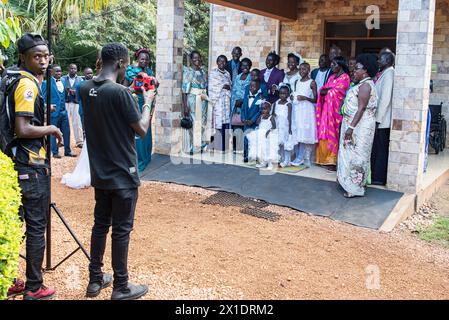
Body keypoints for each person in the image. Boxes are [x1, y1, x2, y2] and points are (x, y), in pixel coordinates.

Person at [80, 42, 155, 300]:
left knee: (100, 225)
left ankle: (95, 279)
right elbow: (142, 129)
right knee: (122, 230)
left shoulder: (84, 87)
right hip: (123, 174)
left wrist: (129, 89)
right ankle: (121, 287)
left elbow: (107, 90)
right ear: (122, 64)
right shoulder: (120, 94)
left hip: (100, 173)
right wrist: (148, 102)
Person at [6, 33, 63, 300]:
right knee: (36, 226)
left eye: (45, 56)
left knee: (13, 225)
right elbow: (23, 127)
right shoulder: (27, 85)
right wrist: (51, 127)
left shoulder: (9, 77)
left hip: (11, 164)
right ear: (23, 58)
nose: (42, 61)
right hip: (30, 164)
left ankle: (8, 279)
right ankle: (34, 286)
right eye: (36, 56)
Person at [337, 53, 378, 198]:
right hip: (355, 124)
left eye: (357, 68)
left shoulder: (365, 86)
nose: (354, 71)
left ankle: (354, 188)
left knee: (357, 156)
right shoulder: (361, 84)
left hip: (359, 127)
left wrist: (351, 128)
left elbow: (361, 108)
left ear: (365, 70)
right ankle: (350, 183)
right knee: (350, 154)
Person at [315, 56, 351, 171]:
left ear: (340, 65)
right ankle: (323, 159)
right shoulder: (331, 77)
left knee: (334, 134)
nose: (331, 66)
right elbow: (322, 90)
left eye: (334, 64)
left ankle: (333, 161)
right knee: (323, 131)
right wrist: (326, 91)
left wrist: (328, 91)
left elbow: (338, 92)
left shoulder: (345, 78)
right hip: (326, 110)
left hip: (336, 113)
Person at [123, 48, 155, 172]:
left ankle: (146, 158)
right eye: (142, 59)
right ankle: (139, 160)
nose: (145, 61)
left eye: (147, 59)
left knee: (147, 129)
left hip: (147, 102)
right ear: (137, 58)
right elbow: (125, 88)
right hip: (135, 103)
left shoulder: (149, 71)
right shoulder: (130, 70)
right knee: (138, 130)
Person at [371, 51, 395, 185]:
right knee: (378, 149)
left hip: (383, 121)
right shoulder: (385, 74)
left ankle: (379, 178)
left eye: (380, 59)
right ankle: (376, 176)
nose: (378, 62)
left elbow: (385, 99)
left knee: (380, 150)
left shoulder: (390, 74)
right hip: (380, 120)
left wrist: (377, 119)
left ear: (387, 61)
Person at [41, 65, 74, 159]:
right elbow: (43, 99)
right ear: (51, 72)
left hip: (63, 112)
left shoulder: (63, 81)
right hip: (53, 112)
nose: (59, 73)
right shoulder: (45, 83)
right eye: (56, 71)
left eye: (60, 71)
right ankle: (55, 152)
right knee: (52, 133)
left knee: (67, 132)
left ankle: (68, 151)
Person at [290, 63, 318, 168]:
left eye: (304, 69)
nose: (302, 71)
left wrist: (305, 98)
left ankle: (301, 157)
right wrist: (293, 97)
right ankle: (297, 155)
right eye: (300, 69)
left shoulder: (312, 82)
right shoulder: (297, 81)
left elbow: (316, 99)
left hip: (306, 109)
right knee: (296, 131)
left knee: (302, 133)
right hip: (297, 109)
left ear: (308, 70)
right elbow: (295, 93)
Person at [182, 50, 209, 154]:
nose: (196, 60)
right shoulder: (188, 72)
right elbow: (184, 90)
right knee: (194, 123)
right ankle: (193, 146)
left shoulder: (203, 71)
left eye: (198, 58)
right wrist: (185, 106)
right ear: (191, 59)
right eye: (194, 58)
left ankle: (201, 144)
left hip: (203, 100)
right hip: (193, 99)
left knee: (202, 122)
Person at [209, 55, 232, 152]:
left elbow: (230, 85)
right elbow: (212, 86)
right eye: (220, 61)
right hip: (217, 101)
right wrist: (223, 86)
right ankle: (217, 146)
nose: (222, 63)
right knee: (217, 123)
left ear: (226, 63)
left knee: (225, 122)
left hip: (226, 101)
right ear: (217, 62)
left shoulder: (227, 73)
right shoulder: (213, 73)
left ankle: (225, 147)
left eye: (224, 62)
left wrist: (228, 87)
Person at [246, 101, 278, 170]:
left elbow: (274, 127)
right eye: (262, 109)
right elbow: (257, 123)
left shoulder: (271, 117)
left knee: (268, 149)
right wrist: (260, 117)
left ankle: (270, 163)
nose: (263, 110)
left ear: (269, 109)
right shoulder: (261, 117)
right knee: (261, 149)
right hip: (261, 136)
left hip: (269, 135)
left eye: (265, 109)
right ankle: (263, 162)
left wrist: (269, 131)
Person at [230, 58, 252, 153]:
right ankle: (236, 147)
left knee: (244, 125)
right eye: (243, 65)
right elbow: (233, 90)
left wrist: (243, 101)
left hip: (245, 105)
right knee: (236, 125)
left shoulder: (251, 77)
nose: (245, 67)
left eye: (247, 65)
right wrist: (235, 103)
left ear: (250, 66)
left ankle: (244, 148)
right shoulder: (237, 77)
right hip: (235, 106)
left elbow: (251, 91)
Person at [272, 84, 295, 167]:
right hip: (277, 126)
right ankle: (280, 158)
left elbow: (290, 117)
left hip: (285, 127)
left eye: (284, 93)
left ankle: (287, 160)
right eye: (281, 93)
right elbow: (273, 114)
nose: (282, 95)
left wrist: (290, 128)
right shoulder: (276, 103)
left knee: (286, 144)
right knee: (278, 143)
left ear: (288, 94)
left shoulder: (288, 104)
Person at [62, 63, 84, 148]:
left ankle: (79, 141)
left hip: (76, 102)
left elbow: (82, 91)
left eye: (74, 69)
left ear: (77, 70)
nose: (73, 70)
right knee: (64, 122)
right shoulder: (63, 79)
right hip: (66, 102)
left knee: (77, 122)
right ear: (68, 69)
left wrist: (75, 92)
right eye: (71, 68)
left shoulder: (80, 80)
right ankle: (63, 141)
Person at [241, 79, 263, 162]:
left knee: (254, 140)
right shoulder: (246, 96)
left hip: (254, 123)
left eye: (254, 86)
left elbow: (260, 111)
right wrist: (243, 119)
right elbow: (243, 109)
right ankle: (246, 155)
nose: (251, 88)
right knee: (246, 139)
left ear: (258, 88)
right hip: (246, 121)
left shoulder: (260, 98)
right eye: (250, 86)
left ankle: (254, 155)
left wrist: (252, 120)